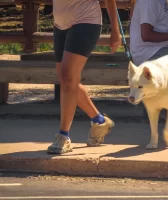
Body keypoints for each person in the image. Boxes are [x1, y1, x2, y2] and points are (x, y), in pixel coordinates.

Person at [47, 0, 122, 154]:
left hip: (86, 20)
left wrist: (115, 30)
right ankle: (99, 121)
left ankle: (64, 136)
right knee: (67, 79)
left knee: (68, 76)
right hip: (60, 24)